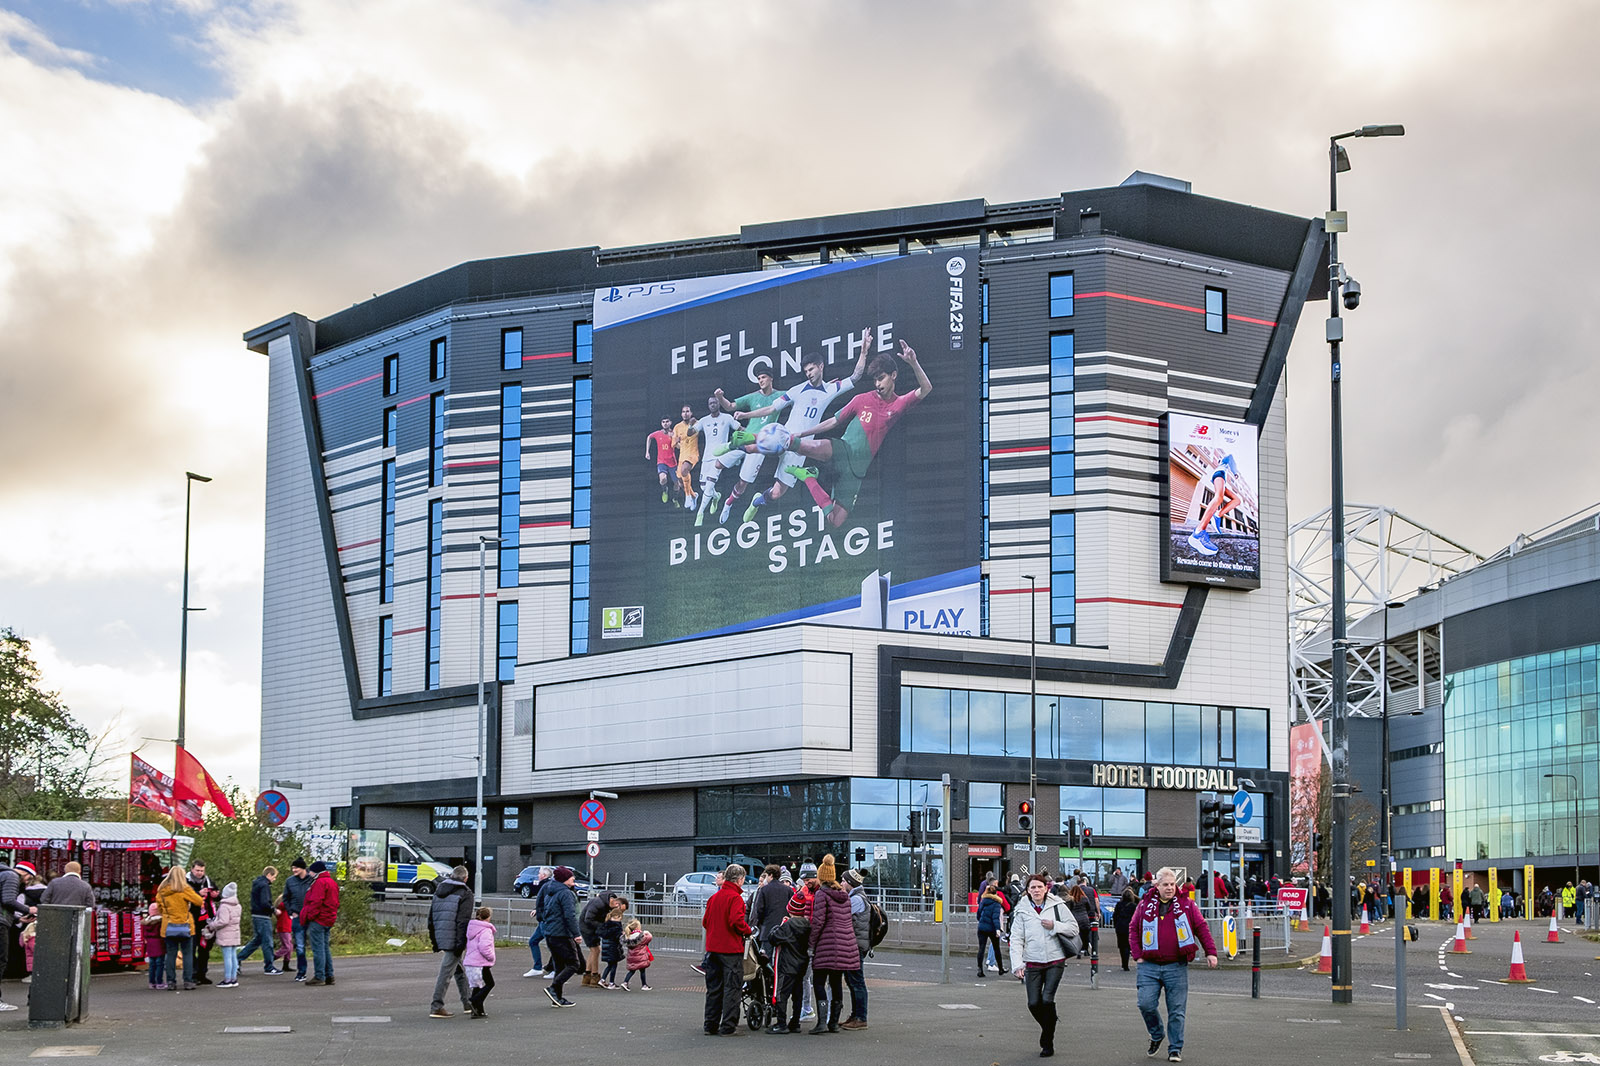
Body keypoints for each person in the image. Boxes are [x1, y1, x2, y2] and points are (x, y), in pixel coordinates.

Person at [788, 340, 933, 529]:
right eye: (875, 380)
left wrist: (913, 363)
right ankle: (760, 441)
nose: (877, 383)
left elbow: (926, 388)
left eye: (881, 378)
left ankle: (808, 477)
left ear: (893, 375)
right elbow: (833, 421)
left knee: (835, 521)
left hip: (857, 470)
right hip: (843, 450)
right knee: (801, 445)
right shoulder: (862, 399)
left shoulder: (899, 404)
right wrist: (803, 433)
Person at [729, 335, 870, 524]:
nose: (809, 373)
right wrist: (745, 415)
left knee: (778, 492)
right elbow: (772, 407)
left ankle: (757, 501)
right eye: (806, 371)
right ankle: (731, 447)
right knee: (761, 444)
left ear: (821, 367)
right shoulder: (797, 389)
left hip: (800, 446)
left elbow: (855, 377)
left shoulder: (830, 389)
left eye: (811, 369)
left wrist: (863, 352)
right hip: (782, 435)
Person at [1131, 867, 1219, 1063]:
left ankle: (1175, 1048)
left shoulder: (1187, 904)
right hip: (1149, 965)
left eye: (1172, 884)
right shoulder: (1144, 905)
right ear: (1157, 885)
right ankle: (1157, 1034)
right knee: (1145, 1004)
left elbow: (1201, 928)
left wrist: (1211, 952)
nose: (1170, 888)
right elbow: (1133, 928)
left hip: (1176, 966)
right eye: (1165, 885)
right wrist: (1137, 954)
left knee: (1177, 1011)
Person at [1009, 872, 1071, 1058]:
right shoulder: (1022, 910)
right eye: (1032, 887)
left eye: (1039, 887)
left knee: (1047, 999)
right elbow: (1016, 938)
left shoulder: (1057, 905)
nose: (1036, 890)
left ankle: (1047, 1040)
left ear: (1046, 888)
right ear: (1027, 891)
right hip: (1033, 962)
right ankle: (1050, 1024)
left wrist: (1055, 925)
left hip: (1055, 960)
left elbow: (1073, 927)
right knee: (1034, 1003)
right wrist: (1017, 964)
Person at [807, 854, 859, 1034]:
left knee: (819, 981)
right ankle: (834, 1023)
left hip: (827, 944)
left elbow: (818, 922)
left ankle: (822, 1022)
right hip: (845, 945)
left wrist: (811, 944)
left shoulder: (822, 894)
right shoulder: (843, 895)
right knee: (836, 982)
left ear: (821, 877)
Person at [702, 862, 752, 1035]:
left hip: (712, 949)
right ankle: (728, 1025)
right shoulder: (735, 898)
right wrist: (747, 930)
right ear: (739, 880)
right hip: (730, 950)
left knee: (714, 989)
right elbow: (736, 921)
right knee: (732, 989)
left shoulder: (714, 898)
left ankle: (710, 1024)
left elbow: (705, 922)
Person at [427, 865, 474, 1017]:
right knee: (446, 972)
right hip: (454, 938)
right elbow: (463, 920)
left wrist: (434, 939)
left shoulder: (439, 891)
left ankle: (468, 1002)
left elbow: (431, 918)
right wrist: (461, 943)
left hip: (441, 935)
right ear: (465, 878)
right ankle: (437, 1005)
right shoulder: (465, 893)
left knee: (458, 970)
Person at [158, 864, 205, 993]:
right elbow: (199, 901)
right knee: (187, 954)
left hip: (168, 926)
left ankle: (171, 982)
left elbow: (160, 908)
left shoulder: (162, 891)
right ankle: (188, 981)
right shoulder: (184, 889)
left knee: (170, 955)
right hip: (186, 925)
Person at [768, 896, 811, 1033]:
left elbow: (774, 938)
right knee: (797, 994)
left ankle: (781, 1023)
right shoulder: (807, 925)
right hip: (801, 964)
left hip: (787, 964)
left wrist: (774, 929)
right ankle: (795, 1022)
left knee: (782, 994)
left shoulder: (789, 925)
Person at [540, 867, 582, 1007]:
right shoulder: (566, 894)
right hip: (562, 934)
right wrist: (576, 934)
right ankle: (553, 988)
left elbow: (544, 910)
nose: (573, 879)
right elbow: (569, 915)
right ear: (565, 879)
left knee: (559, 966)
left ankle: (556, 997)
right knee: (574, 964)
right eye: (571, 877)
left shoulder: (550, 892)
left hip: (551, 932)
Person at [236, 865, 283, 975]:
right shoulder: (264, 886)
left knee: (257, 941)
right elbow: (265, 902)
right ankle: (269, 966)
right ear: (269, 875)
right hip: (263, 916)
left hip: (256, 915)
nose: (274, 879)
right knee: (267, 942)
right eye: (274, 877)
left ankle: (237, 959)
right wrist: (274, 910)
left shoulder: (257, 883)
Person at [0, 856, 32, 1010]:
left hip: (4, 920)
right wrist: (28, 909)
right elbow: (7, 900)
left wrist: (18, 920)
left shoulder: (2, 874)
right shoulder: (12, 876)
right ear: (25, 874)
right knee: (1, 960)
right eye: (28, 878)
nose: (26, 882)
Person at [301, 860, 340, 986]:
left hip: (318, 919)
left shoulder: (319, 883)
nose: (309, 873)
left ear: (316, 871)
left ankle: (319, 975)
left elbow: (316, 902)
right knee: (325, 948)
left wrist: (310, 916)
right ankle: (329, 975)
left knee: (318, 949)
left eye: (311, 871)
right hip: (329, 918)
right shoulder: (332, 883)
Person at [840, 868, 870, 1030]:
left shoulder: (857, 900)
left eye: (844, 880)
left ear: (851, 883)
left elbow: (842, 914)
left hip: (856, 945)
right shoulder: (856, 897)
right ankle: (855, 1015)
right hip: (855, 944)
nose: (841, 883)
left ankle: (861, 1017)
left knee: (857, 981)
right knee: (852, 981)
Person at [749, 863, 792, 960]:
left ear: (771, 875)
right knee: (781, 959)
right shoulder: (788, 890)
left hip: (767, 929)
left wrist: (760, 922)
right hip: (783, 929)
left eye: (767, 875)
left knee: (766, 959)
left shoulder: (764, 890)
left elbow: (759, 909)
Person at [580, 884, 620, 987]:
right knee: (596, 950)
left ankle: (587, 975)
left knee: (593, 950)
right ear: (611, 900)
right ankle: (594, 976)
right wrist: (602, 926)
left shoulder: (603, 903)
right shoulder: (598, 904)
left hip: (589, 927)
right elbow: (588, 919)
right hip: (587, 928)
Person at [186, 860, 220, 984]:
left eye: (202, 871)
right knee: (191, 947)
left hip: (206, 920)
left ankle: (202, 973)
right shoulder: (185, 881)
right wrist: (197, 894)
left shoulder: (208, 881)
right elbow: (183, 896)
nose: (200, 873)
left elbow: (217, 895)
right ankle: (193, 974)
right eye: (197, 870)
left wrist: (216, 895)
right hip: (191, 920)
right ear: (192, 869)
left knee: (204, 948)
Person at [462, 905, 497, 1019]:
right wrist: (491, 957)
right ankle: (474, 1001)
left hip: (470, 962)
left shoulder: (472, 928)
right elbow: (484, 947)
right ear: (488, 917)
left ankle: (478, 1011)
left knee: (478, 986)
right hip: (481, 963)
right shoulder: (486, 930)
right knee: (489, 983)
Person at [284, 857, 313, 981]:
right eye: (292, 868)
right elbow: (286, 898)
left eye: (296, 868)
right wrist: (291, 912)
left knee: (317, 945)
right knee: (300, 946)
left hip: (311, 917)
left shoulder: (312, 880)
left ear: (303, 868)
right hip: (297, 916)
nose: (294, 870)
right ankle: (301, 972)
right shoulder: (290, 881)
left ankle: (322, 973)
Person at [211, 882, 243, 987]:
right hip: (235, 933)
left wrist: (212, 925)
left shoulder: (224, 906)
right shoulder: (238, 905)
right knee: (233, 956)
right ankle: (233, 978)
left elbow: (223, 921)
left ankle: (227, 979)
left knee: (227, 957)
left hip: (226, 934)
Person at [523, 866, 550, 978]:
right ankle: (537, 967)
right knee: (533, 941)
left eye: (539, 873)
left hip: (545, 920)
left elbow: (547, 902)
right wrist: (536, 909)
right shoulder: (545, 885)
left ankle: (554, 968)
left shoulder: (546, 886)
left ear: (544, 875)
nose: (538, 875)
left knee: (552, 945)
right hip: (542, 920)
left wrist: (541, 912)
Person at [645, 415, 678, 505]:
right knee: (663, 479)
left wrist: (676, 440)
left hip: (672, 462)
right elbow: (649, 437)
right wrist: (647, 452)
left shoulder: (674, 433)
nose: (665, 423)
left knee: (677, 484)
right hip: (661, 462)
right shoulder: (658, 433)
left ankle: (675, 498)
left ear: (670, 422)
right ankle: (665, 490)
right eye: (663, 422)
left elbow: (679, 446)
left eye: (667, 421)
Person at [598, 894, 629, 988]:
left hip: (607, 947)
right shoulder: (616, 926)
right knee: (613, 965)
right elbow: (617, 937)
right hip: (613, 948)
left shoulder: (607, 924)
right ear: (617, 916)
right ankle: (611, 982)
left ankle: (603, 979)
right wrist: (623, 935)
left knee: (609, 965)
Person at [977, 878, 1005, 977]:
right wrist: (998, 929)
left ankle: (980, 969)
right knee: (997, 948)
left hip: (982, 927)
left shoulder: (983, 901)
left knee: (981, 948)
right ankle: (1001, 968)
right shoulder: (996, 903)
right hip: (992, 928)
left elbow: (978, 913)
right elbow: (995, 918)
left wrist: (980, 921)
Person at [622, 917, 653, 990]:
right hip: (640, 957)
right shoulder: (641, 936)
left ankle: (625, 982)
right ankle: (644, 985)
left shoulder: (628, 936)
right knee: (642, 970)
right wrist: (646, 932)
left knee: (632, 971)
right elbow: (649, 937)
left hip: (632, 957)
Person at [1113, 886, 1139, 971]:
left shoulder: (1119, 905)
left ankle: (1124, 963)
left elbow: (1115, 916)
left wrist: (1116, 925)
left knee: (1121, 946)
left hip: (1120, 926)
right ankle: (1126, 964)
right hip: (1129, 927)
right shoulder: (1133, 906)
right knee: (1128, 945)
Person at [144, 898, 168, 989]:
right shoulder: (160, 921)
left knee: (152, 964)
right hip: (159, 943)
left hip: (150, 944)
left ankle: (152, 982)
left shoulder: (146, 922)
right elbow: (163, 932)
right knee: (160, 963)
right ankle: (159, 982)